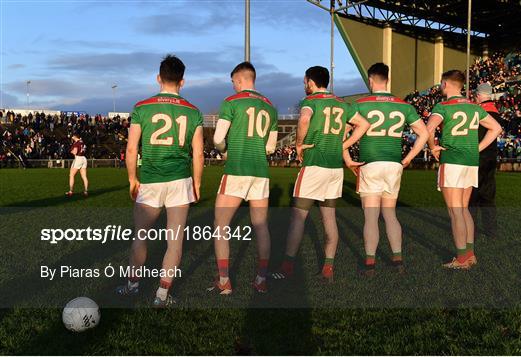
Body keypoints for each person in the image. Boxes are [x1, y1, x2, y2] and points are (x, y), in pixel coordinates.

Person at [116, 54, 204, 307]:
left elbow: (131, 149)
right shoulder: (193, 111)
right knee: (174, 240)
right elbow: (197, 153)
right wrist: (197, 183)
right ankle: (162, 295)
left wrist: (132, 179)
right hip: (180, 181)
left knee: (140, 235)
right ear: (183, 82)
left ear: (158, 78)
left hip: (151, 180)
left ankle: (132, 286)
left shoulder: (142, 107)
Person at [271, 66, 369, 282]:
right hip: (334, 169)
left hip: (314, 165)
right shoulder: (343, 104)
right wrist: (344, 144)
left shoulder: (311, 101)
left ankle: (287, 266)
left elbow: (304, 120)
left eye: (305, 81)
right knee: (329, 218)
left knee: (298, 217)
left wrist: (298, 144)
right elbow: (364, 124)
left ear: (310, 82)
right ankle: (328, 268)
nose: (304, 85)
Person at [343, 62, 429, 275]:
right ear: (388, 80)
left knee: (371, 217)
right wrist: (408, 158)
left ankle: (370, 263)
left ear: (371, 80)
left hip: (370, 163)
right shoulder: (404, 106)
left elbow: (341, 134)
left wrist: (347, 158)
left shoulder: (360, 104)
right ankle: (398, 260)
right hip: (393, 163)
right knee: (390, 214)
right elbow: (425, 134)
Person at [210, 62, 278, 295]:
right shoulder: (270, 107)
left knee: (221, 226)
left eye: (233, 82)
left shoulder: (231, 102)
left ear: (239, 80)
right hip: (260, 172)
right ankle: (261, 279)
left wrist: (224, 150)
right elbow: (270, 147)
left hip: (237, 169)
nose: (233, 86)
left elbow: (218, 139)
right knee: (261, 226)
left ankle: (225, 281)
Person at [426, 70, 502, 270]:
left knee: (455, 211)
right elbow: (496, 128)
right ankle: (470, 254)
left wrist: (433, 146)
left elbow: (429, 127)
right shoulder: (474, 107)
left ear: (445, 84)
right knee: (464, 209)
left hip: (452, 160)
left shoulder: (442, 106)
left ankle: (461, 259)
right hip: (470, 161)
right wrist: (477, 148)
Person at [470, 83, 501, 238]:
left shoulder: (479, 111)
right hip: (491, 158)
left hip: (477, 156)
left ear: (479, 94)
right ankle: (491, 230)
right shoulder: (495, 112)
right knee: (488, 195)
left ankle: (471, 230)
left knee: (473, 196)